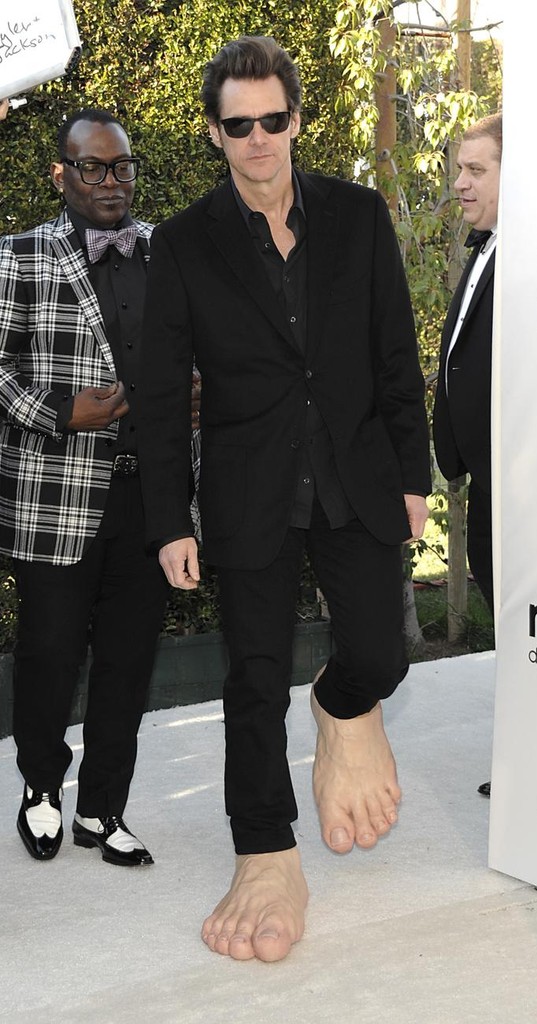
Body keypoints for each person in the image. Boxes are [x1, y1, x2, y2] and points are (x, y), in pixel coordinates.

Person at [139, 35, 431, 962]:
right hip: (248, 489)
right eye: (239, 125)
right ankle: (265, 848)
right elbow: (156, 394)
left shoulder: (359, 215)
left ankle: (341, 705)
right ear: (217, 134)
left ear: (296, 120)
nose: (258, 138)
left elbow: (395, 358)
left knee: (380, 654)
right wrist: (168, 521)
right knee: (250, 681)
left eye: (273, 119)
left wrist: (414, 475)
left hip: (355, 476)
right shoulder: (183, 242)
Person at [0, 108, 172, 866]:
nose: (111, 181)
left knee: (131, 664)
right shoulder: (18, 257)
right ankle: (41, 789)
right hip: (55, 500)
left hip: (150, 500)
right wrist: (59, 411)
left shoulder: (169, 254)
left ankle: (104, 810)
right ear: (61, 174)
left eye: (122, 166)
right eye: (94, 167)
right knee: (49, 657)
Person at [432, 112, 502, 797]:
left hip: (531, 485)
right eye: (460, 169)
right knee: (514, 628)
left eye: (477, 170)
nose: (460, 184)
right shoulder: (485, 247)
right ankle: (528, 760)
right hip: (486, 479)